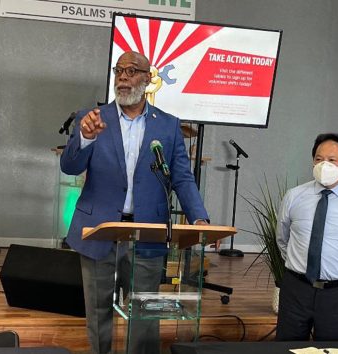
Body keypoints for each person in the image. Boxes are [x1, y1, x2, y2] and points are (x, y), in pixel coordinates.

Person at [60, 51, 209, 354]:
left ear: (148, 79)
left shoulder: (167, 126)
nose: (124, 77)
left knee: (144, 315)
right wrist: (85, 138)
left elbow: (182, 178)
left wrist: (199, 218)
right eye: (119, 71)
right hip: (98, 230)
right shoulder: (92, 118)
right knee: (98, 313)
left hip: (147, 234)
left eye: (132, 71)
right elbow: (70, 166)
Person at [275, 133, 338, 341]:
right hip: (296, 289)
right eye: (319, 159)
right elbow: (282, 239)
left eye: (332, 160)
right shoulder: (294, 196)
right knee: (286, 348)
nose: (324, 165)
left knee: (334, 349)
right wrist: (299, 266)